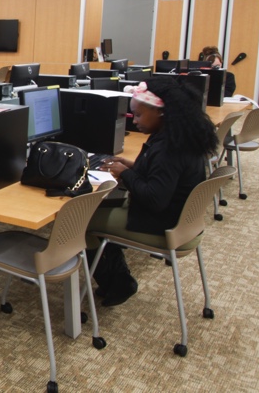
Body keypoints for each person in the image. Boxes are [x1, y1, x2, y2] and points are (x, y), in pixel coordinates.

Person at [86, 77, 218, 306]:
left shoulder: (168, 149)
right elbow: (165, 178)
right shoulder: (180, 137)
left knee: (83, 223)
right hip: (183, 220)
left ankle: (117, 282)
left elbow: (154, 198)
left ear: (161, 113)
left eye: (138, 115)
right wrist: (132, 166)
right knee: (106, 207)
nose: (133, 121)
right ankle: (118, 277)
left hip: (162, 222)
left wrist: (125, 174)